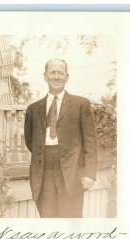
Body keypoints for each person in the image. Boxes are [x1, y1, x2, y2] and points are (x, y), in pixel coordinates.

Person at [24, 58, 97, 218]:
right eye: (52, 73)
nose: (56, 77)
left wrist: (89, 173)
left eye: (60, 73)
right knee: (48, 219)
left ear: (67, 77)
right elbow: (30, 141)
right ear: (45, 76)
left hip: (72, 172)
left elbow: (90, 143)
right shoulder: (33, 109)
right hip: (43, 172)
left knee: (71, 220)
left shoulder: (81, 105)